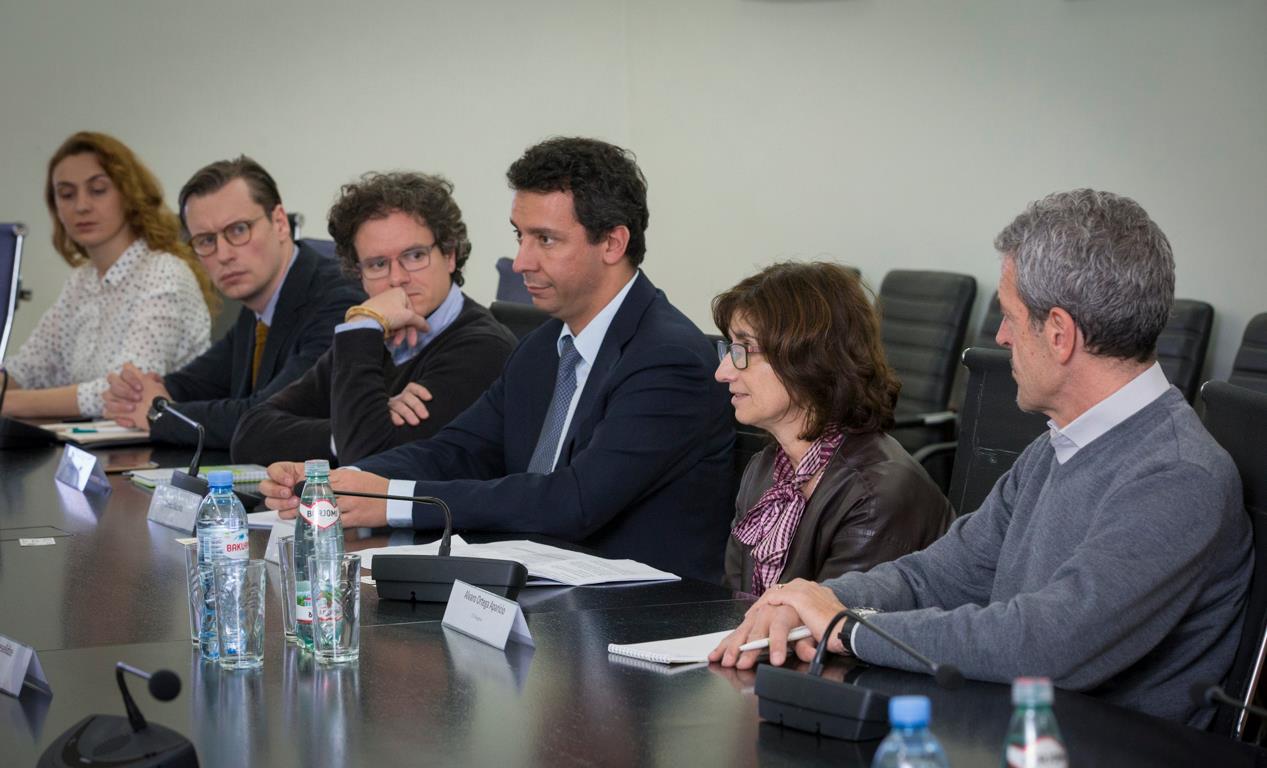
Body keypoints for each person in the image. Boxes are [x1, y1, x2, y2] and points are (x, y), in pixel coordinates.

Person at [711, 189, 1251, 728]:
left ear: (1059, 335)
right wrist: (813, 599)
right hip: (1015, 730)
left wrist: (847, 626)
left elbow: (1047, 645)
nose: (1001, 336)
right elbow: (937, 577)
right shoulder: (1055, 449)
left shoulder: (1177, 475)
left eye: (1010, 317)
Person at [259, 137, 734, 582]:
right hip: (543, 595)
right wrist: (344, 482)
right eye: (520, 236)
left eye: (545, 239)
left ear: (612, 243)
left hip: (639, 617)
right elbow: (459, 450)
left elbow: (573, 501)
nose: (521, 261)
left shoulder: (668, 359)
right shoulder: (542, 347)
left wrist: (392, 501)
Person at [230, 172, 515, 466]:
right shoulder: (370, 337)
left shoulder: (482, 348)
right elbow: (249, 435)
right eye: (378, 264)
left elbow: (368, 462)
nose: (397, 278)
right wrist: (353, 426)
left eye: (415, 256)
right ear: (359, 274)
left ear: (450, 255)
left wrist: (362, 328)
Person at [713, 262, 953, 595]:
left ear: (809, 359)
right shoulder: (765, 469)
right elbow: (732, 603)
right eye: (729, 348)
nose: (723, 372)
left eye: (744, 350)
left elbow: (837, 623)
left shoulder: (876, 496)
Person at [102, 156, 364, 449]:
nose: (223, 255)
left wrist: (159, 414)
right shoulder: (257, 309)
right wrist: (136, 394)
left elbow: (266, 419)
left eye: (238, 230)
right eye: (205, 240)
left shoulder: (338, 300)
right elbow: (199, 382)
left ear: (280, 223)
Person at [1, 131, 214, 419]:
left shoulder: (165, 273)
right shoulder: (81, 281)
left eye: (98, 190)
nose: (81, 206)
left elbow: (125, 392)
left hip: (155, 444)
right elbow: (29, 369)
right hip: (92, 440)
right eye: (66, 194)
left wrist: (7, 403)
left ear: (129, 194)